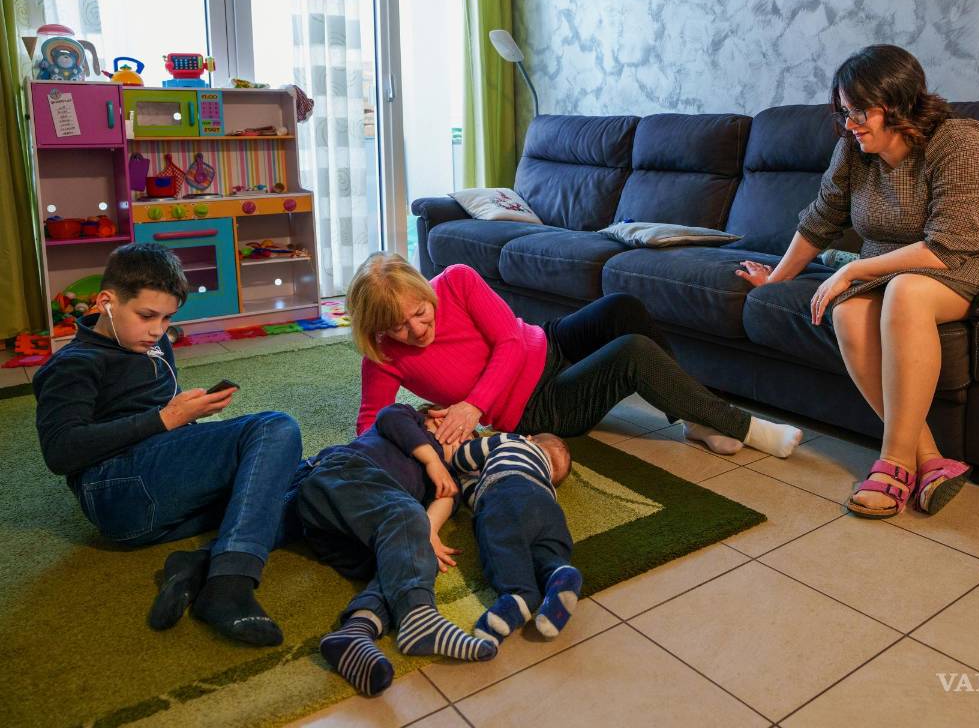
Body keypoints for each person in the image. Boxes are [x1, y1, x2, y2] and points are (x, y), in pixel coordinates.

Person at [736, 45, 979, 518]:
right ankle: (930, 461)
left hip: (973, 260)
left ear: (897, 103)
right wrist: (776, 279)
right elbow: (821, 220)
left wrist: (851, 269)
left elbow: (946, 247)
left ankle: (894, 462)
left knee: (905, 290)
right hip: (891, 267)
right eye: (845, 112)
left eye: (859, 112)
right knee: (849, 311)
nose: (850, 124)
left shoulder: (957, 141)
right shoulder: (854, 151)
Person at [33, 243, 302, 644]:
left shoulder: (153, 343)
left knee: (297, 482)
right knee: (275, 429)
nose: (157, 329)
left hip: (157, 501)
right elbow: (60, 452)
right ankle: (229, 586)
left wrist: (187, 418)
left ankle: (194, 564)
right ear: (106, 301)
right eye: (146, 316)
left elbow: (164, 421)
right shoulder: (74, 364)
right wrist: (168, 418)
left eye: (167, 318)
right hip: (115, 490)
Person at [347, 254, 803, 459]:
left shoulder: (458, 281)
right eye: (398, 329)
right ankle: (743, 426)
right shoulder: (383, 355)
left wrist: (471, 406)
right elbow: (370, 423)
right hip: (536, 406)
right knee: (633, 354)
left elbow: (509, 342)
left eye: (420, 314)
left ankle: (695, 419)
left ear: (426, 290)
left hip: (548, 343)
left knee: (622, 306)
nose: (417, 331)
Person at [294, 403, 496, 698]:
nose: (465, 444)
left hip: (355, 543)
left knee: (413, 556)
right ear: (436, 417)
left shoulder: (446, 480)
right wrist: (432, 461)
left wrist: (427, 533)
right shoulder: (408, 420)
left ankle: (356, 629)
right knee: (406, 517)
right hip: (341, 478)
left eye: (470, 445)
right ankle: (419, 616)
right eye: (462, 435)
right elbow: (389, 416)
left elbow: (441, 508)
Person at [448, 431, 582, 646]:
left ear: (529, 438)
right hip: (547, 504)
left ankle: (520, 594)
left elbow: (463, 458)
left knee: (503, 544)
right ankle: (557, 572)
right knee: (546, 547)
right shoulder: (544, 480)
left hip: (506, 492)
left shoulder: (509, 439)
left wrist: (460, 468)